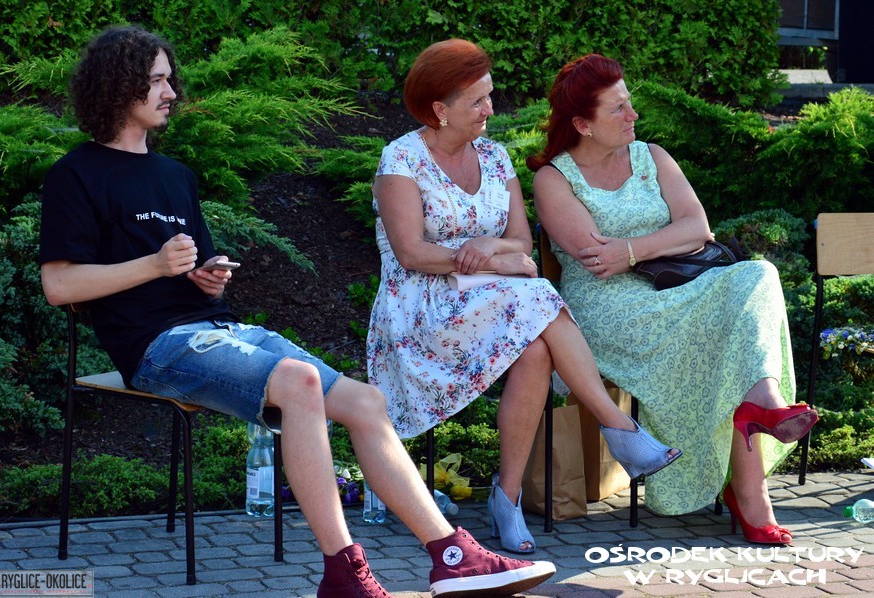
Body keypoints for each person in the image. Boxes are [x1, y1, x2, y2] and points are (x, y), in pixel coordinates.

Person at [38, 25, 559, 597]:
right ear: (119, 87)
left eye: (169, 79)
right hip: (153, 347)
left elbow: (190, 275)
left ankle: (451, 555)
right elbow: (60, 285)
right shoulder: (76, 174)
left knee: (366, 401)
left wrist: (205, 277)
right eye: (157, 81)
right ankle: (344, 573)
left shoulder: (174, 177)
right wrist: (154, 265)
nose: (171, 92)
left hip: (217, 329)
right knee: (300, 381)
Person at [366, 39, 681, 555]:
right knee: (536, 296)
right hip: (422, 308)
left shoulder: (494, 157)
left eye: (489, 96)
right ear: (440, 109)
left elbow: (519, 241)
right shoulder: (401, 159)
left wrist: (492, 249)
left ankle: (506, 498)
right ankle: (619, 427)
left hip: (495, 301)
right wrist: (496, 260)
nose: (490, 109)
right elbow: (412, 253)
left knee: (535, 347)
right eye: (477, 101)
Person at [529, 54, 819, 544]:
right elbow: (597, 260)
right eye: (618, 108)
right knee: (725, 339)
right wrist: (655, 243)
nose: (633, 115)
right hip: (609, 309)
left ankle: (764, 405)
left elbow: (697, 227)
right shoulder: (553, 180)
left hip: (675, 292)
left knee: (759, 274)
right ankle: (750, 491)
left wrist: (630, 249)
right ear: (582, 124)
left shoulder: (653, 156)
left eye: (629, 102)